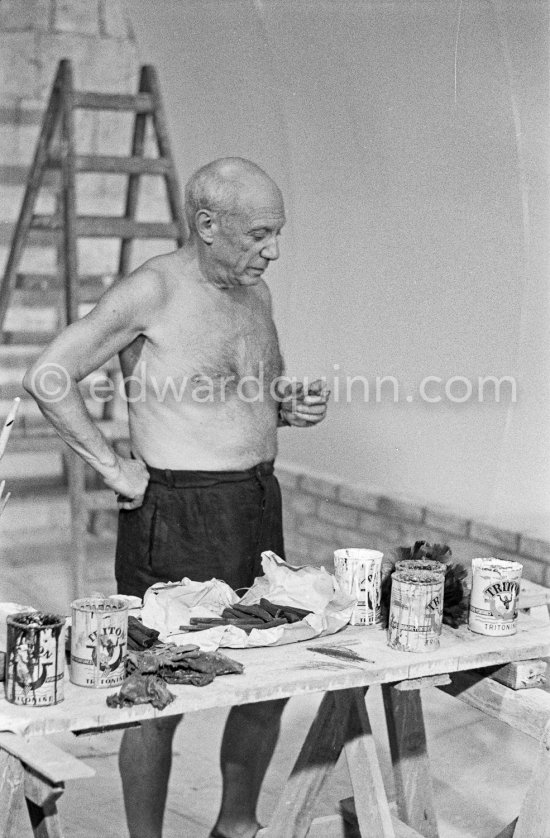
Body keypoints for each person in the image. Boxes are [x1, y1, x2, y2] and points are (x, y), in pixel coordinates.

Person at [24, 157, 329, 838]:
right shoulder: (153, 290)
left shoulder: (258, 295)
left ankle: (236, 825)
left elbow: (236, 398)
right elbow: (48, 375)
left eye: (276, 234)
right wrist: (112, 466)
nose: (271, 251)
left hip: (254, 506)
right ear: (207, 224)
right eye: (257, 235)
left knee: (266, 680)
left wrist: (285, 410)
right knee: (155, 694)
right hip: (175, 516)